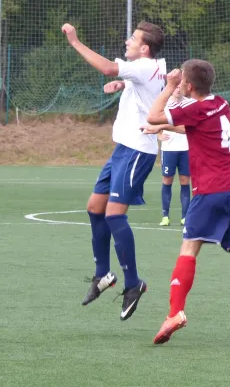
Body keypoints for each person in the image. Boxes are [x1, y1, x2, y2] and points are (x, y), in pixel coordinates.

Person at [142, 59, 230, 348]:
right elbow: (200, 129)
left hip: (211, 191)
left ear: (188, 85)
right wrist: (173, 129)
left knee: (189, 249)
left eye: (181, 79)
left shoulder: (192, 108)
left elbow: (153, 115)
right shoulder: (220, 104)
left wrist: (169, 86)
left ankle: (174, 314)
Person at [62, 21, 166, 321]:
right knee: (95, 208)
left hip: (137, 151)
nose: (127, 41)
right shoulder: (153, 65)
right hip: (123, 148)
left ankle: (134, 284)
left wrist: (75, 42)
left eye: (133, 39)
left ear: (144, 48)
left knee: (114, 215)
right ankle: (103, 275)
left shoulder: (145, 66)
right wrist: (125, 84)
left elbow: (108, 68)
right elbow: (148, 86)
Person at [158, 85, 190, 227]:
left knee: (185, 181)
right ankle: (165, 216)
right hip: (169, 149)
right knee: (167, 180)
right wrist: (158, 134)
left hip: (186, 148)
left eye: (180, 86)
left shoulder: (188, 103)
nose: (177, 89)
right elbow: (154, 121)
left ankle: (185, 217)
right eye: (175, 86)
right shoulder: (164, 104)